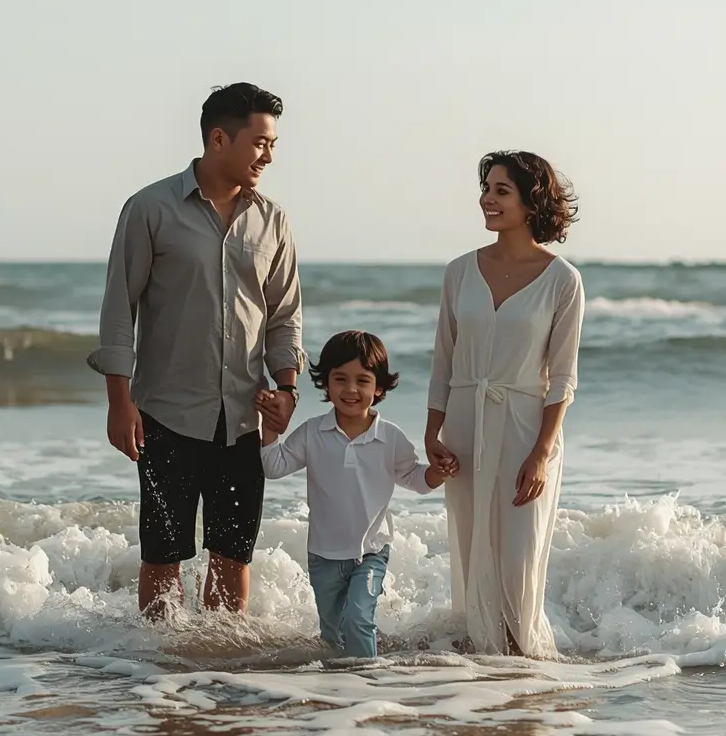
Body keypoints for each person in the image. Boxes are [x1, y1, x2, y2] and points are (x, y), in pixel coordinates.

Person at [88, 82, 304, 617]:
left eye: (273, 143)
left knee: (233, 556)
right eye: (260, 142)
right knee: (163, 557)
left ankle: (223, 682)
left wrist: (288, 388)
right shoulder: (149, 208)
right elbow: (120, 310)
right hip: (166, 414)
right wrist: (120, 400)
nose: (269, 155)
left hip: (244, 420)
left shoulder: (273, 220)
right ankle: (160, 675)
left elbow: (283, 315)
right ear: (218, 138)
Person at [426, 151, 584, 659]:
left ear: (531, 200)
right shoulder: (459, 272)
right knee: (473, 551)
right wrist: (433, 434)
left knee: (519, 553)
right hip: (466, 425)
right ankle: (484, 681)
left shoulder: (562, 280)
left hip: (524, 427)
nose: (487, 199)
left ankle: (523, 664)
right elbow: (442, 364)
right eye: (486, 188)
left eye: (501, 191)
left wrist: (541, 451)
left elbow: (562, 379)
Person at [258, 331, 455, 659]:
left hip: (371, 551)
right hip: (323, 555)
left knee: (359, 618)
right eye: (340, 379)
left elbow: (416, 479)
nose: (351, 390)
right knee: (333, 632)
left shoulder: (390, 437)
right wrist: (269, 428)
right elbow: (274, 467)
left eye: (362, 381)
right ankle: (342, 689)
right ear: (325, 384)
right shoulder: (312, 432)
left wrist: (438, 472)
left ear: (378, 387)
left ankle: (367, 684)